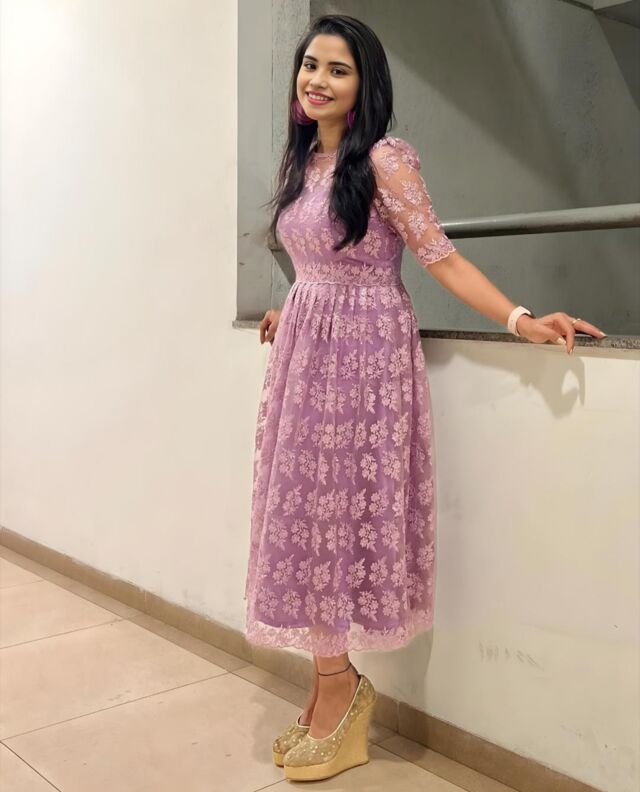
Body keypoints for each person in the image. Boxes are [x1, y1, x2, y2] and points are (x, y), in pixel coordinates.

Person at [243, 14, 606, 783]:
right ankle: (330, 690)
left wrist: (520, 319)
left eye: (338, 69)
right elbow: (317, 257)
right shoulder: (304, 158)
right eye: (310, 65)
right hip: (308, 354)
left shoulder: (385, 159)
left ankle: (340, 695)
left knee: (337, 519)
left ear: (365, 84)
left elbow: (439, 257)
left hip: (363, 359)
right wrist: (292, 304)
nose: (317, 80)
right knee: (306, 515)